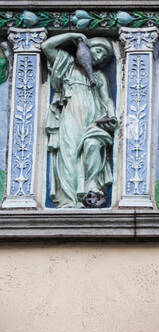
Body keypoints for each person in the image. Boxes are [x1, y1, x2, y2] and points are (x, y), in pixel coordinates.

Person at [42, 34, 117, 208]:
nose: (99, 57)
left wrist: (111, 116)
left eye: (103, 56)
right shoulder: (67, 65)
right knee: (68, 155)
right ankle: (68, 201)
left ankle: (92, 189)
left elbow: (106, 99)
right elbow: (47, 47)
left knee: (93, 145)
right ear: (87, 50)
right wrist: (74, 36)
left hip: (94, 120)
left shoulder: (98, 76)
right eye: (97, 51)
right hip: (70, 116)